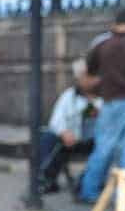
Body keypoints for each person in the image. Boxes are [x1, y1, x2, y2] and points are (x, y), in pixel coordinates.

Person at [76, 8, 125, 202]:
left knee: (103, 148)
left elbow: (90, 72)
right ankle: (124, 195)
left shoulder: (101, 44)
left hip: (109, 102)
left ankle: (89, 191)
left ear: (114, 22)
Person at [38, 58, 100, 193]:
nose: (88, 80)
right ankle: (45, 179)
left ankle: (86, 183)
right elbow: (56, 120)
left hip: (95, 142)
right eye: (83, 76)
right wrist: (64, 132)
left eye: (90, 76)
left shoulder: (105, 99)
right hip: (71, 141)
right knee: (48, 138)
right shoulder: (69, 96)